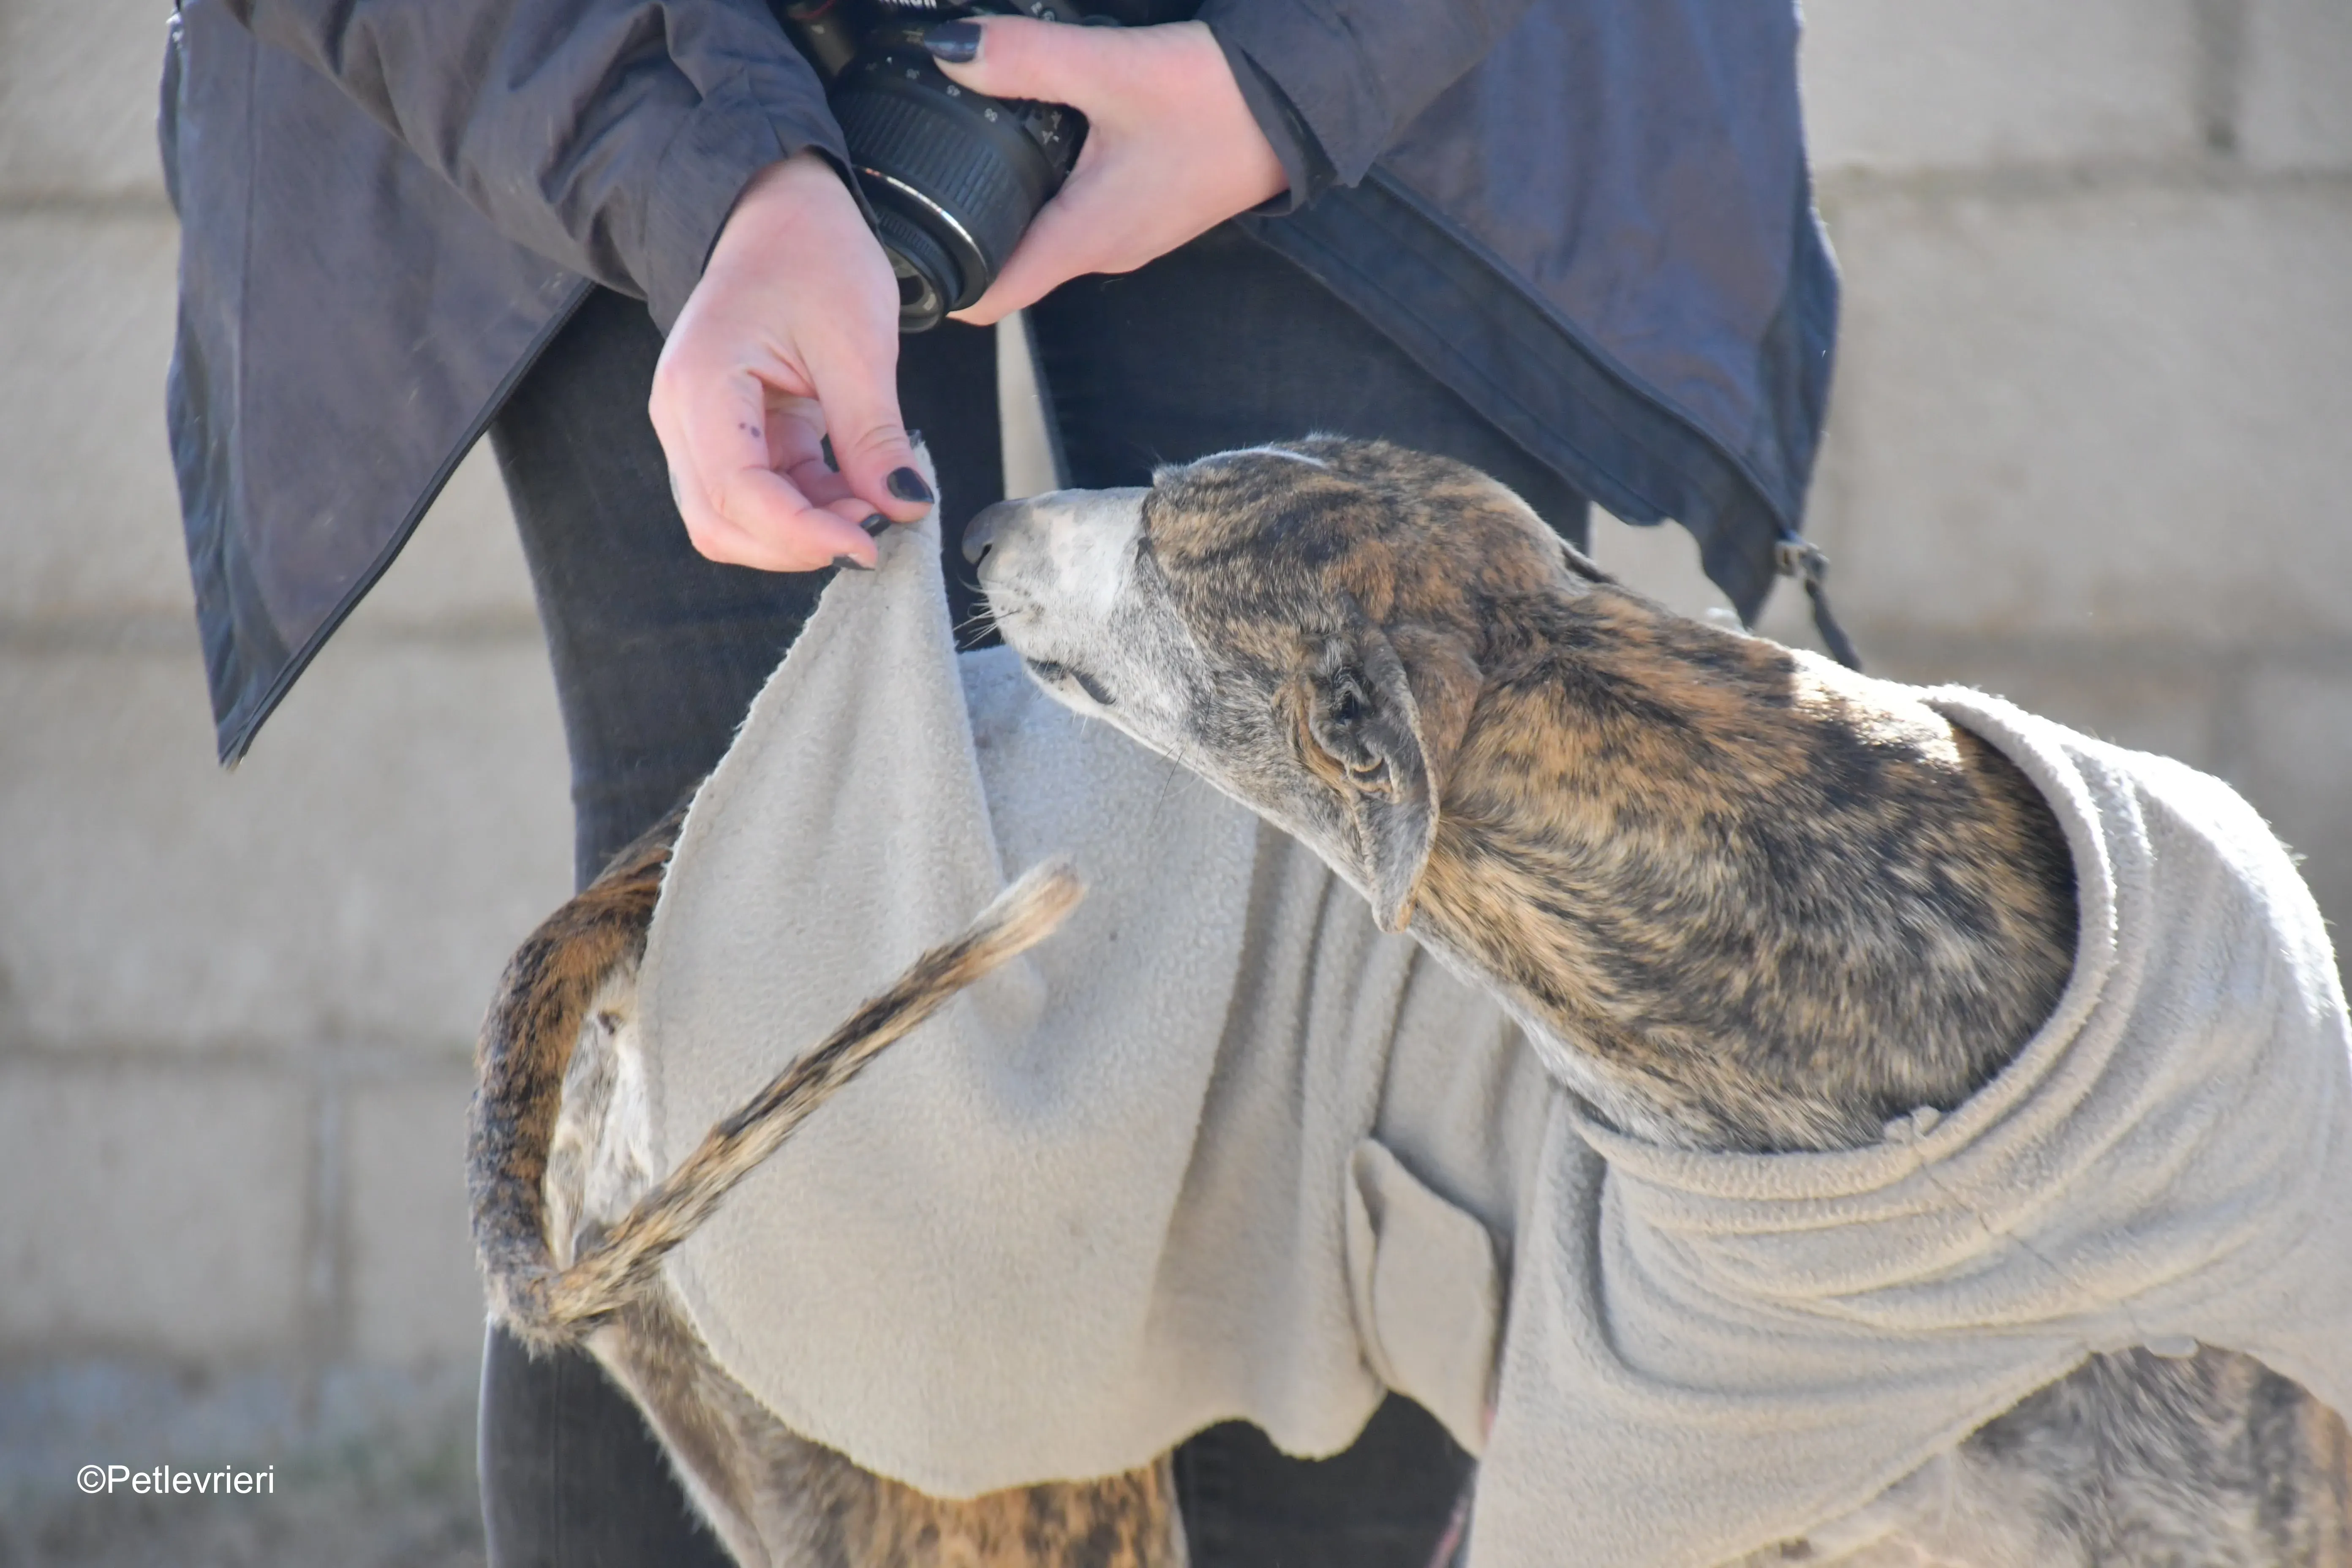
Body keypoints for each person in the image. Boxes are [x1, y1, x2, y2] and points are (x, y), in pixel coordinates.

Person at [161, 1, 1837, 1562]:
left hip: (1403, 66)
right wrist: (690, 162)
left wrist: (1307, 66)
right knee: (734, 1064)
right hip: (645, 39)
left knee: (1359, 1045)